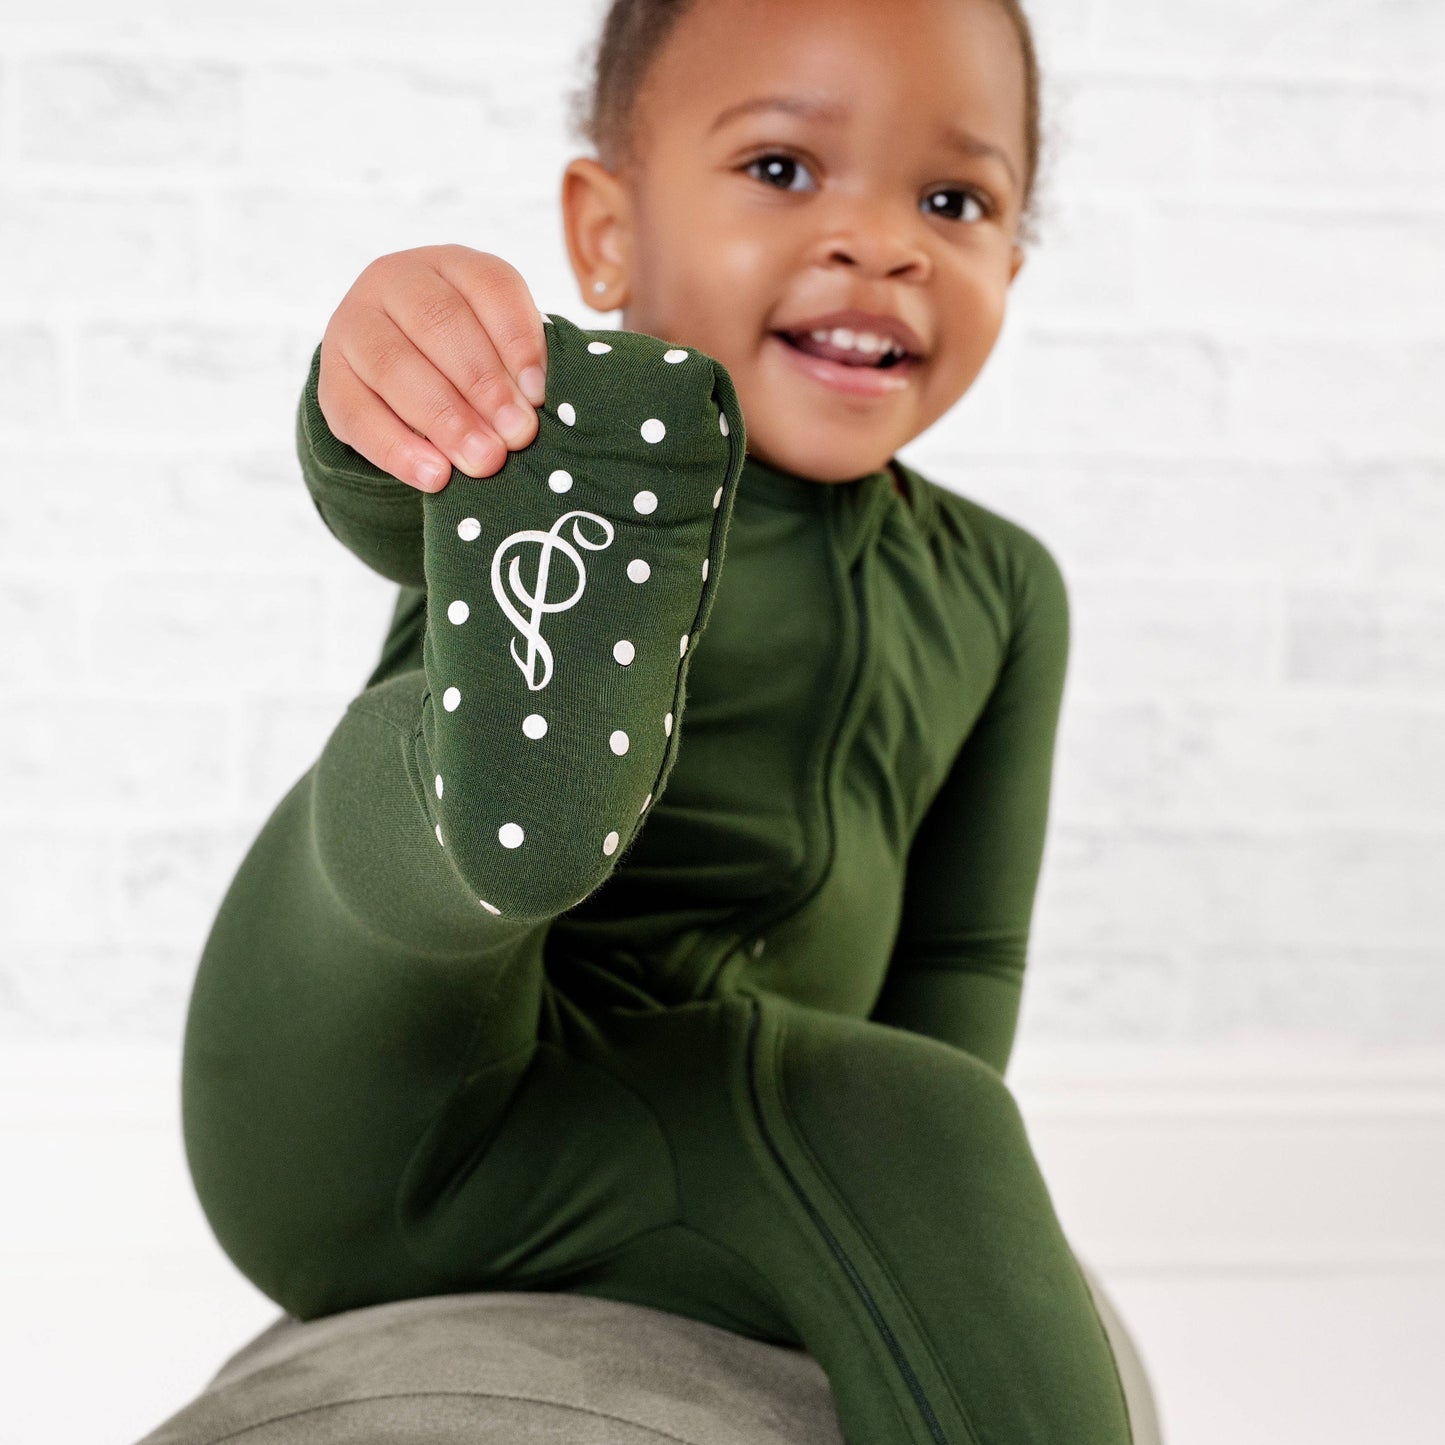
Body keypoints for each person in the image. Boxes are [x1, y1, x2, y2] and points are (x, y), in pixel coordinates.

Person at [179, 1, 1136, 1441]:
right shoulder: (567, 446)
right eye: (781, 169)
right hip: (370, 1088)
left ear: (1011, 260)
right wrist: (391, 379)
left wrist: (917, 1170)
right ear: (608, 232)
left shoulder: (1002, 593)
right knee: (399, 762)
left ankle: (495, 785)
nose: (881, 243)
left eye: (953, 202)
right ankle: (481, 784)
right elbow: (384, 495)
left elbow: (961, 952)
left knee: (926, 1109)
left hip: (654, 1143)